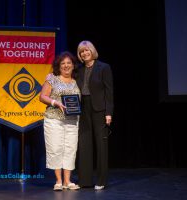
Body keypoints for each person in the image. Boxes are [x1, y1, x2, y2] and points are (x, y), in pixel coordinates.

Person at [39, 51, 81, 191]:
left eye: (69, 63)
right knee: (56, 148)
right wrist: (55, 103)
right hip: (53, 119)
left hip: (72, 120)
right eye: (63, 63)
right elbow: (42, 96)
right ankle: (58, 181)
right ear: (58, 66)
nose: (66, 66)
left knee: (70, 149)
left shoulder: (76, 81)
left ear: (73, 65)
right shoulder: (52, 78)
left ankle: (67, 181)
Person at [76, 40, 114, 190]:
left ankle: (101, 181)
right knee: (84, 144)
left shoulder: (104, 67)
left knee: (101, 144)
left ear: (92, 51)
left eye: (87, 50)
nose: (84, 53)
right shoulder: (78, 69)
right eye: (81, 52)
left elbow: (109, 91)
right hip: (83, 107)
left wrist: (109, 113)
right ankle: (84, 180)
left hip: (99, 109)